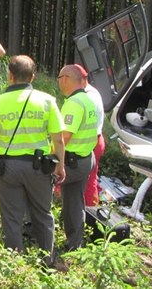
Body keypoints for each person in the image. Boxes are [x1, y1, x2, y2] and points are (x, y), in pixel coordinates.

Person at [0, 55, 65, 266]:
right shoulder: (47, 101)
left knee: (11, 217)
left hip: (8, 169)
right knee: (43, 214)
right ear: (33, 77)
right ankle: (47, 262)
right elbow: (58, 139)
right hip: (39, 168)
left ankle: (14, 265)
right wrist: (60, 165)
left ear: (9, 76)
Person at [57, 64, 98, 251]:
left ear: (65, 79)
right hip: (86, 159)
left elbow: (64, 137)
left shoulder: (73, 103)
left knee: (36, 185)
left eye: (59, 78)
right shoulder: (89, 100)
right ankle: (74, 244)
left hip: (72, 162)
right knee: (74, 202)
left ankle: (35, 235)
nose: (58, 82)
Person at [83, 77, 105, 207]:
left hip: (90, 142)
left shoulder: (86, 97)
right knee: (91, 178)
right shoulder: (93, 92)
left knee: (88, 180)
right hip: (96, 139)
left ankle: (90, 213)